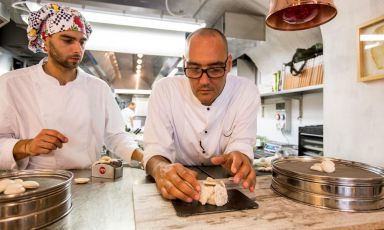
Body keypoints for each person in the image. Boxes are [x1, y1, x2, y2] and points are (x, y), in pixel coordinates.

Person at [0, 3, 142, 170]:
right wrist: (26, 146)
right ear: (46, 42)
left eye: (82, 42)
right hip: (34, 184)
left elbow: (117, 136)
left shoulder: (98, 88)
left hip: (87, 182)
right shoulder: (12, 84)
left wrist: (148, 160)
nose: (77, 49)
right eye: (67, 40)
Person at [143, 28, 261, 203]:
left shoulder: (246, 91)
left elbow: (241, 145)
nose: (204, 81)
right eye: (194, 68)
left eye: (214, 69)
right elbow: (156, 149)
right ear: (185, 63)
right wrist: (161, 168)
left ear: (228, 64)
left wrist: (239, 160)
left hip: (224, 184)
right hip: (178, 183)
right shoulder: (165, 90)